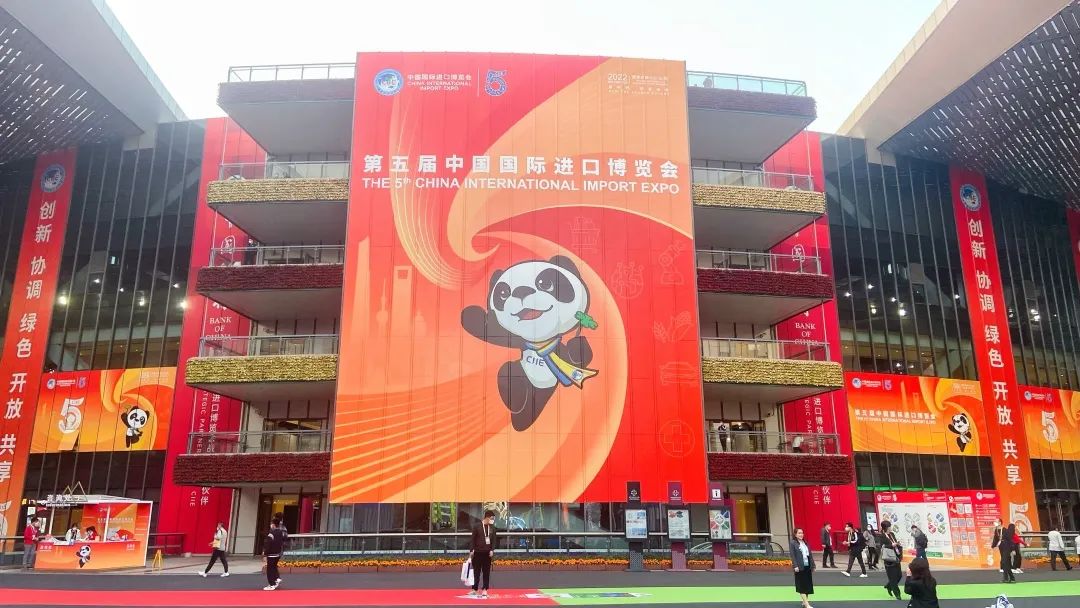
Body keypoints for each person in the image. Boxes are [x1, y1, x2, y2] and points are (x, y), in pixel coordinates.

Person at [469, 510, 497, 599]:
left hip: (487, 553)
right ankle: (474, 589)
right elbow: (472, 539)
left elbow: (494, 540)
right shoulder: (477, 526)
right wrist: (471, 550)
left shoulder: (492, 528)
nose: (492, 520)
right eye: (492, 518)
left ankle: (485, 589)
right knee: (476, 572)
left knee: (486, 572)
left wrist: (492, 550)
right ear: (487, 517)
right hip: (477, 553)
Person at [790, 528, 816, 608]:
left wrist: (813, 565)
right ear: (795, 534)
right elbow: (793, 555)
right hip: (799, 566)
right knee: (802, 585)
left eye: (802, 533)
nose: (801, 534)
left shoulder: (805, 542)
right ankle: (807, 604)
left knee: (807, 584)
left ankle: (804, 602)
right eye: (799, 533)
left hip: (807, 566)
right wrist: (795, 566)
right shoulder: (793, 543)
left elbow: (810, 555)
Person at [879, 520, 903, 600]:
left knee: (899, 575)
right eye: (889, 526)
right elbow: (882, 547)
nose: (890, 528)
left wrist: (897, 543)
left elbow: (894, 543)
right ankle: (897, 594)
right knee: (892, 577)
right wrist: (891, 545)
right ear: (885, 528)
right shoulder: (882, 536)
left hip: (895, 556)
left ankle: (889, 586)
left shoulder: (892, 534)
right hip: (888, 559)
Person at [262, 518, 286, 591]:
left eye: (271, 523)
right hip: (278, 553)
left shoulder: (271, 533)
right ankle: (277, 578)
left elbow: (268, 544)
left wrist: (265, 554)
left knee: (270, 569)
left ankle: (271, 584)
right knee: (274, 567)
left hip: (271, 554)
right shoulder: (281, 532)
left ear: (273, 525)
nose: (271, 525)